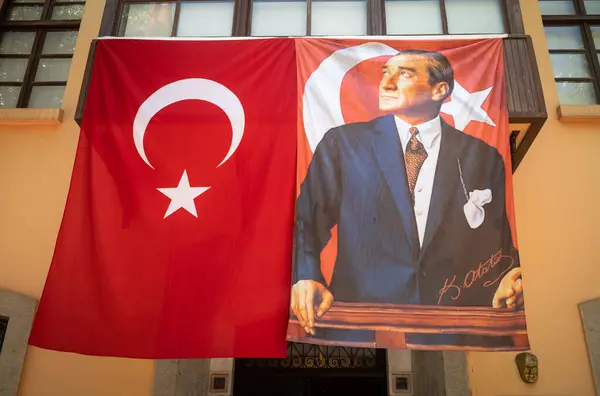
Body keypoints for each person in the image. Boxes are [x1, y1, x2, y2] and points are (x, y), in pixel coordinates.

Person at [290, 49, 524, 346]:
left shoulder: (484, 156)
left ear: (440, 89)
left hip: (456, 330)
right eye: (385, 73)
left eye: (403, 74)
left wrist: (510, 276)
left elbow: (496, 243)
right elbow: (305, 222)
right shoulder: (343, 144)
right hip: (359, 325)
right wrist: (306, 275)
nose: (386, 84)